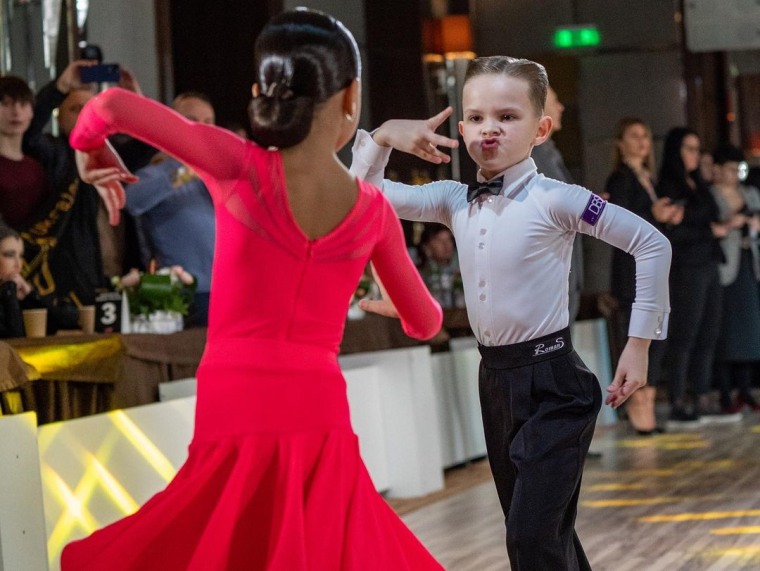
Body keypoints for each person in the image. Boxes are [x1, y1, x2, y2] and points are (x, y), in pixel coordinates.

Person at [62, 8, 444, 570]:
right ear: (350, 97)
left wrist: (86, 145)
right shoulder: (374, 212)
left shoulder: (237, 167)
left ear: (264, 91)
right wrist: (392, 301)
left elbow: (109, 107)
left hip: (235, 396)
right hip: (317, 407)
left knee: (223, 542)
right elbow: (425, 323)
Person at [351, 56, 671, 570]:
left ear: (541, 128)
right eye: (476, 118)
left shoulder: (558, 199)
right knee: (545, 540)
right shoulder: (453, 198)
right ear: (460, 128)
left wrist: (638, 344)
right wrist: (383, 136)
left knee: (530, 540)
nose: (489, 129)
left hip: (557, 385)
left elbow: (652, 243)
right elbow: (363, 198)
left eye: (507, 116)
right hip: (495, 382)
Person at [656, 128, 741, 426]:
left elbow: (711, 213)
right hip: (686, 266)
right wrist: (709, 231)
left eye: (696, 148)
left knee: (709, 332)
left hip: (708, 262)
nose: (695, 154)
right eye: (689, 148)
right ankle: (679, 399)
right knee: (686, 334)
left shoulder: (698, 183)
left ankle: (702, 397)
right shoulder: (668, 183)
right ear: (676, 151)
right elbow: (673, 230)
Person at [605, 117, 684, 434]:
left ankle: (647, 405)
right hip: (630, 271)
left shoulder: (648, 178)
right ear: (621, 143)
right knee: (635, 335)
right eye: (635, 136)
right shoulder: (620, 177)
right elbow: (619, 220)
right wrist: (654, 215)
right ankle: (637, 408)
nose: (642, 142)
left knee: (655, 337)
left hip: (649, 269)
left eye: (646, 136)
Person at [126, 91, 217, 327]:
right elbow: (131, 200)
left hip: (232, 292)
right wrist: (184, 173)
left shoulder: (221, 174)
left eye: (208, 122)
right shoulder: (158, 172)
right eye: (192, 120)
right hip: (187, 294)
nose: (202, 128)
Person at [709, 143, 760, 413]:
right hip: (724, 268)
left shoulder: (749, 193)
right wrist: (731, 222)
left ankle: (746, 390)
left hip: (748, 264)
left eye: (738, 170)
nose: (734, 175)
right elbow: (711, 226)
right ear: (717, 169)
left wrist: (753, 223)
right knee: (725, 333)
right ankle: (726, 392)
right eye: (729, 169)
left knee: (749, 333)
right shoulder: (710, 195)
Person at [531, 85, 583, 322]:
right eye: (556, 101)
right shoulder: (530, 156)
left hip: (565, 271)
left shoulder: (550, 152)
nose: (561, 107)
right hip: (549, 276)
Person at [0, 76, 53, 229]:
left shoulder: (36, 168)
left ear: (31, 112)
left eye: (23, 104)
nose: (16, 112)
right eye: (6, 104)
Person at [417, 222, 462, 308]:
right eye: (438, 240)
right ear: (426, 247)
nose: (446, 245)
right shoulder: (420, 275)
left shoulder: (463, 270)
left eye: (448, 239)